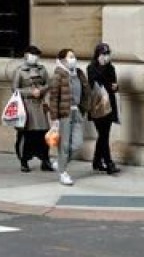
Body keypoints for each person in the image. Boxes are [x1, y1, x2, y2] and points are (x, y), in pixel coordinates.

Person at [44, 48, 89, 186]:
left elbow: (86, 92)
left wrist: (84, 108)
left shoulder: (79, 73)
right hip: (64, 114)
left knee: (77, 144)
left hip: (77, 112)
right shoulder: (59, 75)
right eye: (70, 57)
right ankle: (63, 173)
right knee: (63, 145)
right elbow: (53, 98)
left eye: (74, 56)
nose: (73, 59)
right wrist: (55, 119)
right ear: (62, 59)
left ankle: (59, 163)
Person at [11, 45, 55, 173]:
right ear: (26, 55)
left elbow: (48, 84)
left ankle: (45, 160)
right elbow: (15, 89)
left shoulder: (42, 69)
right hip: (26, 106)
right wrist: (30, 92)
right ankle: (24, 160)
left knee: (43, 134)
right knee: (26, 134)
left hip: (40, 105)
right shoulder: (19, 71)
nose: (35, 57)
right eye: (32, 54)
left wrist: (40, 90)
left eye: (37, 55)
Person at [86, 42, 120, 174]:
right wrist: (102, 67)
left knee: (104, 135)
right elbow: (95, 82)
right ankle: (108, 163)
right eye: (103, 54)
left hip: (109, 106)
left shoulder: (111, 68)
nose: (106, 57)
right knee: (103, 135)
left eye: (108, 54)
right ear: (97, 55)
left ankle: (97, 161)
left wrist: (116, 87)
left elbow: (114, 84)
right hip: (97, 105)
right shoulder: (91, 68)